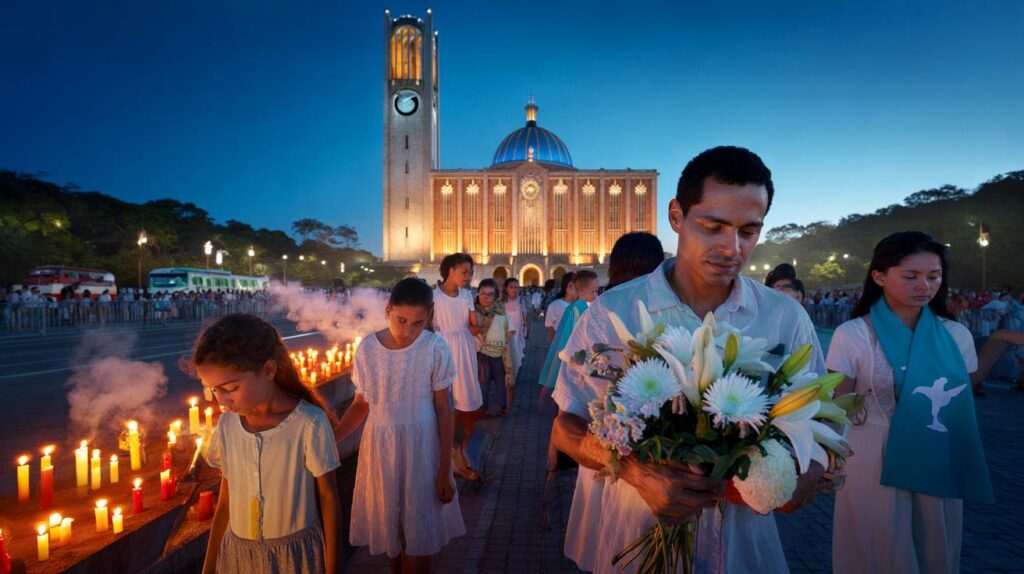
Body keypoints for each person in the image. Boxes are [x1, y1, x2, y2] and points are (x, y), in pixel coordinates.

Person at [550, 146, 824, 573]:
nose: (732, 248)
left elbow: (820, 422)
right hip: (634, 531)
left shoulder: (783, 318)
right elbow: (566, 426)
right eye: (713, 227)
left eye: (748, 232)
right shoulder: (614, 312)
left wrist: (802, 476)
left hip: (740, 543)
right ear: (676, 216)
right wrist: (636, 471)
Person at [827, 231, 993, 574]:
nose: (924, 286)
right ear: (879, 276)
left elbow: (961, 397)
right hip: (873, 456)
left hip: (936, 454)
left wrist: (1000, 341)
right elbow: (838, 406)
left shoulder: (955, 335)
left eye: (933, 276)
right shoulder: (853, 334)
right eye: (911, 276)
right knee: (876, 546)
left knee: (933, 544)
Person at [333, 278, 465, 573]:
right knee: (390, 532)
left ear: (429, 316)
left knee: (418, 534)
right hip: (380, 449)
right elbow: (361, 404)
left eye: (418, 323)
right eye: (400, 320)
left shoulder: (434, 348)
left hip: (422, 448)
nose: (407, 331)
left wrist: (445, 470)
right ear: (388, 310)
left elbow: (444, 411)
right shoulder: (368, 348)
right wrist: (331, 439)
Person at [194, 314, 342, 574]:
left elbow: (328, 497)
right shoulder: (228, 426)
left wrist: (332, 568)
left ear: (269, 371)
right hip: (238, 557)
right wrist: (208, 568)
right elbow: (226, 502)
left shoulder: (307, 423)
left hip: (293, 558)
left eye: (231, 388)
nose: (221, 400)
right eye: (213, 390)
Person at [432, 253, 485, 480]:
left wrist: (478, 323)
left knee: (465, 404)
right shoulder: (434, 297)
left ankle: (459, 451)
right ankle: (448, 455)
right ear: (450, 270)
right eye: (464, 272)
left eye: (470, 272)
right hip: (443, 349)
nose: (468, 276)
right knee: (447, 403)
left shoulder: (466, 296)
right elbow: (430, 326)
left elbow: (474, 325)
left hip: (464, 350)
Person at [538, 270, 599, 393]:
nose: (596, 295)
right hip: (576, 361)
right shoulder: (576, 309)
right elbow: (565, 338)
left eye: (597, 291)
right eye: (593, 292)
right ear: (581, 291)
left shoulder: (582, 307)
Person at [474, 278, 513, 416]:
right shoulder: (474, 312)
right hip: (482, 352)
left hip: (498, 353)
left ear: (495, 296)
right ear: (478, 294)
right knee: (483, 382)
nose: (486, 297)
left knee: (501, 380)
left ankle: (502, 405)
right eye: (483, 293)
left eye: (490, 294)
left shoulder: (501, 312)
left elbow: (509, 329)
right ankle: (483, 409)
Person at [503, 277, 527, 393]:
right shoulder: (502, 301)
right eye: (511, 287)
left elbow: (524, 315)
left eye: (516, 287)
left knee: (516, 358)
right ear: (506, 289)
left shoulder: (521, 300)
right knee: (507, 358)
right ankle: (507, 380)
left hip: (518, 334)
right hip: (506, 336)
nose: (514, 290)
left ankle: (514, 377)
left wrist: (526, 328)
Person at [544, 272, 578, 343]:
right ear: (566, 288)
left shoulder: (583, 305)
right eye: (571, 286)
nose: (575, 289)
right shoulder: (555, 306)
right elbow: (551, 330)